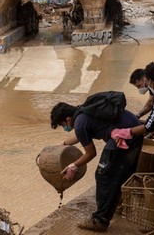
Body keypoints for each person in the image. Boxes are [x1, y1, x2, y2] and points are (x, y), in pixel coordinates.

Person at [52, 98, 142, 232]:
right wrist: (63, 144)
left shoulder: (80, 122)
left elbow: (91, 153)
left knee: (103, 175)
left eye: (62, 124)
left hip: (122, 137)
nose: (64, 127)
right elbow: (80, 135)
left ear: (68, 119)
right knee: (121, 172)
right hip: (135, 131)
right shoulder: (84, 112)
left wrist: (73, 166)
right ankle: (118, 204)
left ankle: (100, 220)